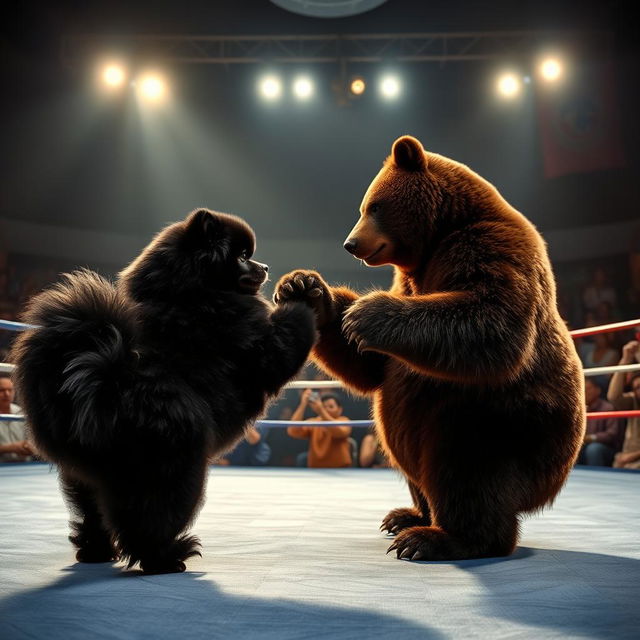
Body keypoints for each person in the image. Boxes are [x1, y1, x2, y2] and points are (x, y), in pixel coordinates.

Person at [287, 390, 352, 468]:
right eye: (324, 406)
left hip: (340, 469)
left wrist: (321, 410)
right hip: (315, 470)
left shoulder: (344, 420)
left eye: (331, 407)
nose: (326, 409)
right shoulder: (314, 422)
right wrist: (303, 404)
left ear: (339, 409)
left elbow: (339, 433)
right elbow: (292, 431)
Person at [576, 378, 624, 467]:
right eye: (583, 389)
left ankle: (596, 478)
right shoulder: (579, 408)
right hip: (584, 445)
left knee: (594, 449)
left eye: (588, 389)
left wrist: (590, 438)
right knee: (572, 447)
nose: (585, 392)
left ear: (597, 391)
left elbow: (612, 434)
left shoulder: (608, 408)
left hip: (607, 448)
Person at [607, 341, 640, 470]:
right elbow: (613, 397)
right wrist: (625, 359)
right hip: (628, 459)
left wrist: (629, 457)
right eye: (637, 387)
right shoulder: (634, 401)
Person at [0, 373, 36, 462]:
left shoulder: (21, 412)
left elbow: (31, 439)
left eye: (10, 390)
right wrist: (9, 448)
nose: (7, 394)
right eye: (2, 390)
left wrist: (30, 446)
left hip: (25, 467)